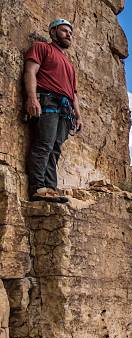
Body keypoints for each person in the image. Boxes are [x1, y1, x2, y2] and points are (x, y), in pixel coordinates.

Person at [23, 18, 83, 203]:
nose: (69, 34)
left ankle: (50, 188)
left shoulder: (69, 65)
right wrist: (32, 97)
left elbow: (73, 93)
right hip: (47, 100)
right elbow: (30, 71)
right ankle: (38, 188)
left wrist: (78, 116)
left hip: (65, 109)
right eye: (64, 30)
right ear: (52, 32)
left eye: (70, 32)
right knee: (44, 144)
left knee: (55, 149)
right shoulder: (42, 48)